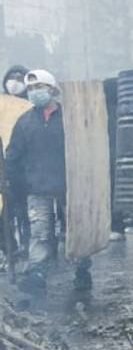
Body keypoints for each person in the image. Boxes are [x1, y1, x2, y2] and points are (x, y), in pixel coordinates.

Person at [5, 70, 91, 293]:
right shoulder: (24, 122)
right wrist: (14, 184)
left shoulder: (69, 119)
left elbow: (85, 148)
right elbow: (13, 154)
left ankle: (81, 270)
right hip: (37, 188)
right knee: (40, 232)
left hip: (69, 186)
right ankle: (38, 273)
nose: (34, 93)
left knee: (74, 231)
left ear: (52, 89)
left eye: (39, 87)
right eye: (31, 89)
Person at [3, 63, 31, 255]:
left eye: (20, 79)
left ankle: (27, 245)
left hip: (24, 168)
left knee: (24, 210)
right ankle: (8, 246)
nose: (14, 82)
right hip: (3, 164)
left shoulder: (31, 108)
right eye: (11, 78)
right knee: (5, 211)